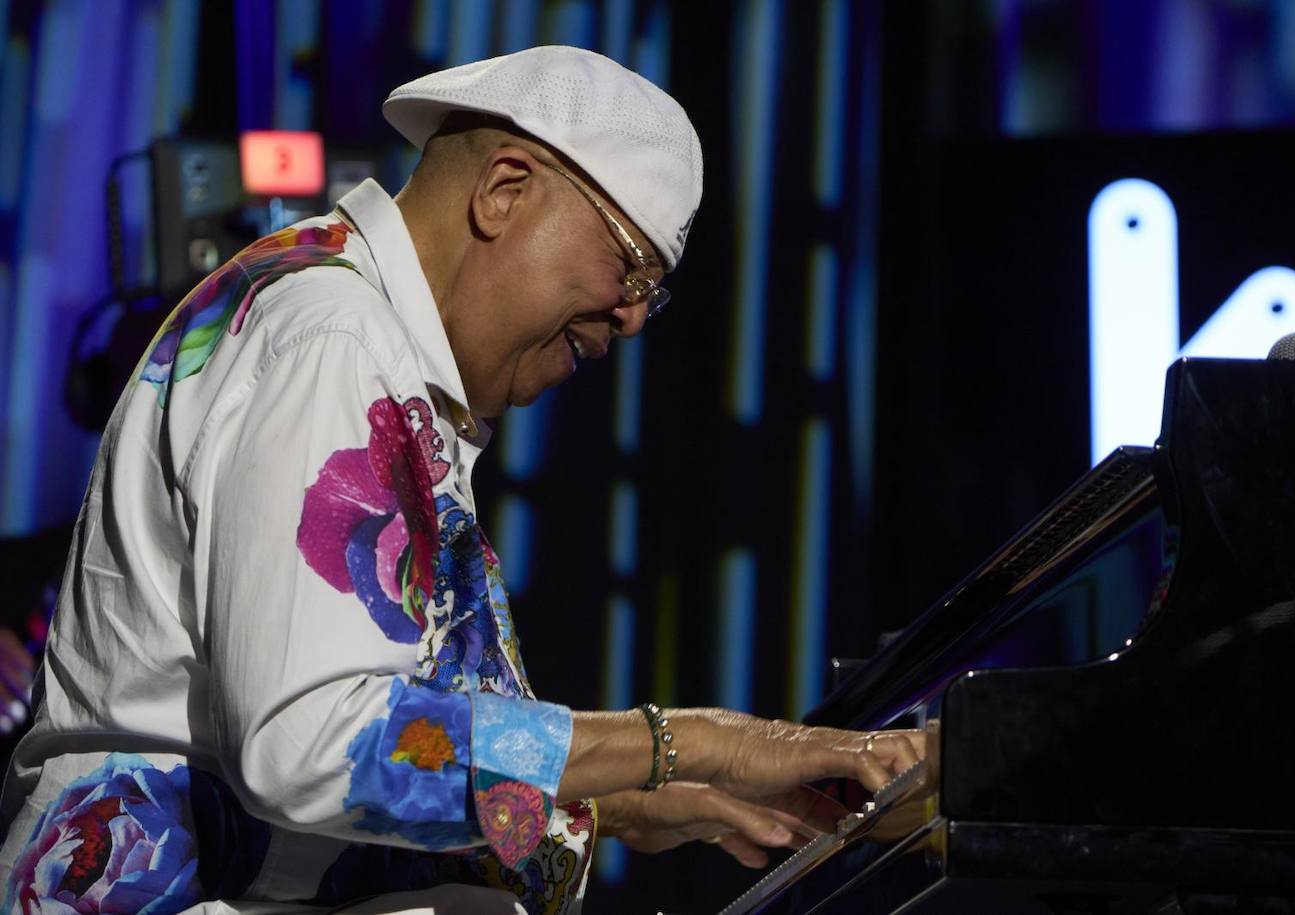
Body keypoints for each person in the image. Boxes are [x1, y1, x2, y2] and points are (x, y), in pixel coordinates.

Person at [0, 46, 931, 915]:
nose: (635, 317)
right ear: (504, 189)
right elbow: (309, 745)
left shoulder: (367, 342)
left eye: (655, 289)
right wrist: (681, 740)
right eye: (630, 264)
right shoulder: (333, 335)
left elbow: (373, 760)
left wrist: (616, 800)